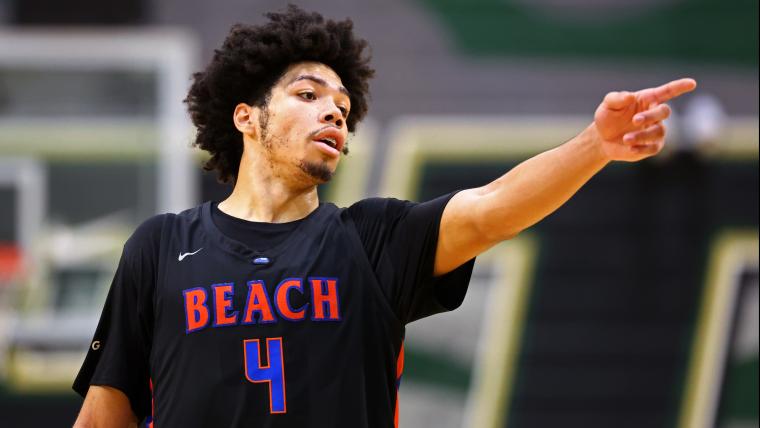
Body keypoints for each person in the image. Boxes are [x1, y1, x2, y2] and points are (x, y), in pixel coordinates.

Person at [72, 5, 696, 428]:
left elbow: (491, 210)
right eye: (308, 95)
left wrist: (595, 145)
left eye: (343, 108)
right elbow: (105, 417)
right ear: (246, 117)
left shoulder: (371, 239)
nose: (333, 113)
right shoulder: (161, 247)